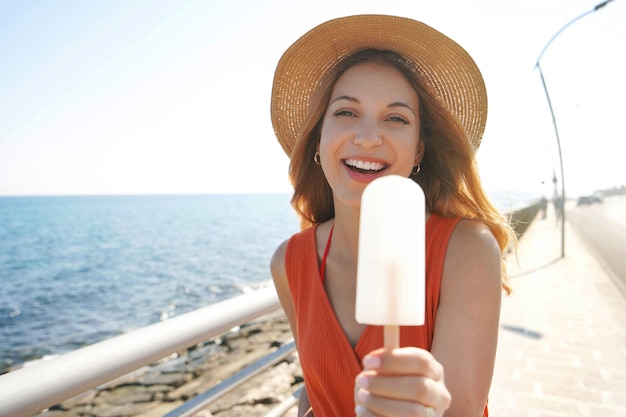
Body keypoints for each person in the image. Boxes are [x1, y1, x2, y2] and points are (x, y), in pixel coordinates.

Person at [269, 14, 516, 417]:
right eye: (346, 112)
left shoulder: (467, 250)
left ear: (418, 150)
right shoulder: (288, 262)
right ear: (319, 138)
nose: (367, 137)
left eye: (396, 118)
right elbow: (313, 395)